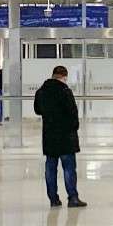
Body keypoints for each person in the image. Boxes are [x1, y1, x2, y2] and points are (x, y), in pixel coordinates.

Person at [33, 64, 86, 208]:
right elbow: (73, 112)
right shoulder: (65, 91)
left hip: (49, 135)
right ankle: (73, 198)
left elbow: (37, 110)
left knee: (50, 168)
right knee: (69, 168)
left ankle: (53, 199)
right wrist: (74, 128)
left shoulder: (41, 91)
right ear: (64, 76)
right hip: (66, 136)